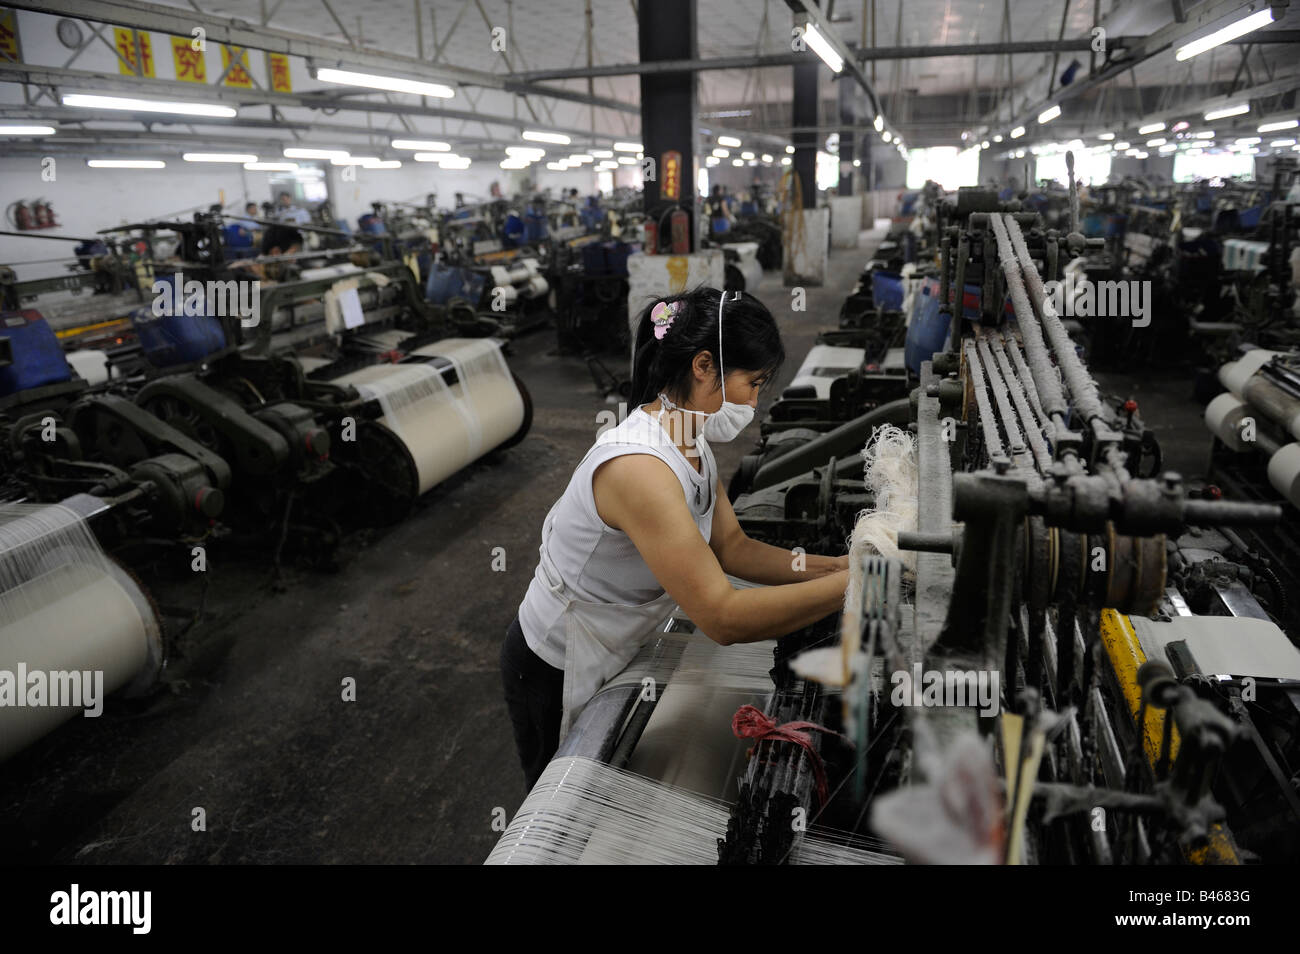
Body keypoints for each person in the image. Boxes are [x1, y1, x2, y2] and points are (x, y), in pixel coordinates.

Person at [500, 286, 850, 789]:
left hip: (614, 639)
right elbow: (722, 618)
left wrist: (838, 564)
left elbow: (734, 549)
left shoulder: (690, 441)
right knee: (558, 798)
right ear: (704, 365)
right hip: (557, 663)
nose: (755, 401)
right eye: (753, 383)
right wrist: (856, 583)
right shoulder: (641, 468)